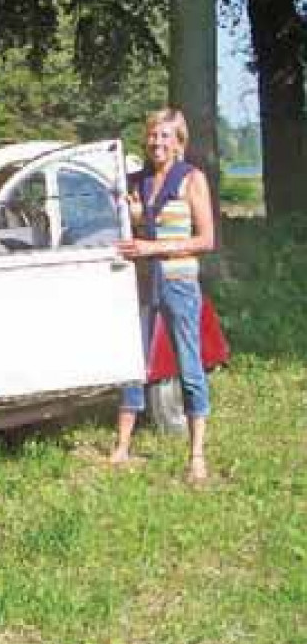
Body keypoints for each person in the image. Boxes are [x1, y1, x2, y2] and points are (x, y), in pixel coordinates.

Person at [110, 107, 215, 482]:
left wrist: (152, 248)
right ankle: (122, 447)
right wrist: (137, 218)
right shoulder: (136, 181)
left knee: (188, 365)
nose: (158, 142)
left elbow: (206, 240)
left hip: (179, 283)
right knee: (131, 364)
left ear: (179, 142)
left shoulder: (192, 179)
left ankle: (197, 455)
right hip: (141, 283)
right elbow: (135, 228)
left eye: (166, 136)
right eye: (153, 134)